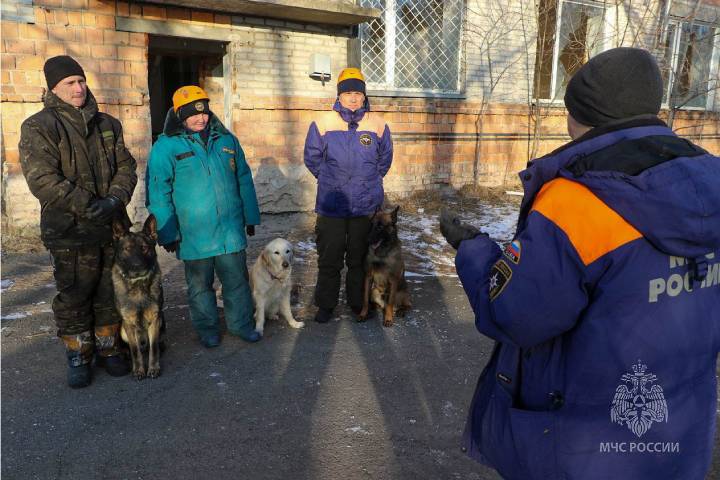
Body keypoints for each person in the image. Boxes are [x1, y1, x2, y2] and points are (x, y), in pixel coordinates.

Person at [440, 47, 720, 479]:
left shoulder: (578, 201)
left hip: (588, 448)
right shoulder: (709, 184)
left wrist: (473, 250)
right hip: (681, 437)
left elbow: (516, 315)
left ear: (579, 115)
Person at [19, 55, 138, 388]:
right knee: (75, 293)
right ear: (54, 88)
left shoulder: (108, 124)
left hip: (113, 227)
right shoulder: (39, 126)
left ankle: (109, 348)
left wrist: (115, 200)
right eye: (70, 83)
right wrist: (90, 206)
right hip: (69, 230)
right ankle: (79, 354)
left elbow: (126, 167)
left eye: (81, 81)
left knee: (109, 290)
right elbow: (42, 178)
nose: (78, 88)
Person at [146, 86, 261, 347]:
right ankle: (207, 328)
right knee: (200, 287)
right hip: (193, 233)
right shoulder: (166, 147)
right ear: (179, 116)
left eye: (204, 113)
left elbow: (243, 178)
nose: (201, 119)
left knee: (237, 282)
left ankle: (241, 324)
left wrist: (250, 215)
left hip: (229, 230)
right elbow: (158, 190)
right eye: (192, 115)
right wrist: (167, 231)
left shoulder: (226, 140)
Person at [303, 67, 393, 323]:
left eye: (358, 93)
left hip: (365, 206)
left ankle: (357, 303)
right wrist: (331, 181)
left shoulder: (377, 124)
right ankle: (326, 305)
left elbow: (385, 159)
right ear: (339, 96)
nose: (353, 98)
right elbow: (312, 157)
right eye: (348, 93)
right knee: (329, 258)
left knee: (359, 259)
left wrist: (370, 181)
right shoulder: (323, 123)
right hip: (332, 204)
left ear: (364, 96)